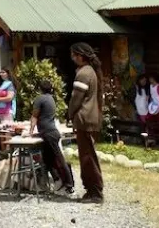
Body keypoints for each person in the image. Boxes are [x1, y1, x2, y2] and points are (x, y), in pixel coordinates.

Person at [67, 42, 103, 204]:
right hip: (89, 118)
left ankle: (94, 192)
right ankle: (93, 190)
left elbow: (76, 99)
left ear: (80, 56)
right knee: (89, 155)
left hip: (84, 118)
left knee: (87, 156)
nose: (72, 58)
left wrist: (69, 114)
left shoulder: (83, 73)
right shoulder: (91, 72)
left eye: (73, 55)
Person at [28, 80, 74, 195]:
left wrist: (30, 131)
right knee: (47, 159)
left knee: (59, 159)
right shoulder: (51, 98)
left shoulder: (40, 99)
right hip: (50, 132)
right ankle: (57, 181)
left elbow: (34, 116)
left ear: (40, 89)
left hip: (48, 133)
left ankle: (69, 185)